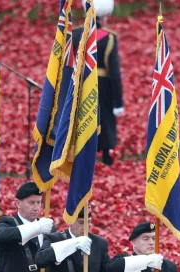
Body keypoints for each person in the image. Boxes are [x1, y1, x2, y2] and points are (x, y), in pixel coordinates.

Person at [73, 0, 123, 166]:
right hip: (103, 86)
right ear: (104, 17)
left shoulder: (75, 34)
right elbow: (114, 73)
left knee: (83, 118)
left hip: (80, 84)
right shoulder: (108, 38)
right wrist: (118, 102)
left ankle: (86, 154)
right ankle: (107, 156)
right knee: (106, 119)